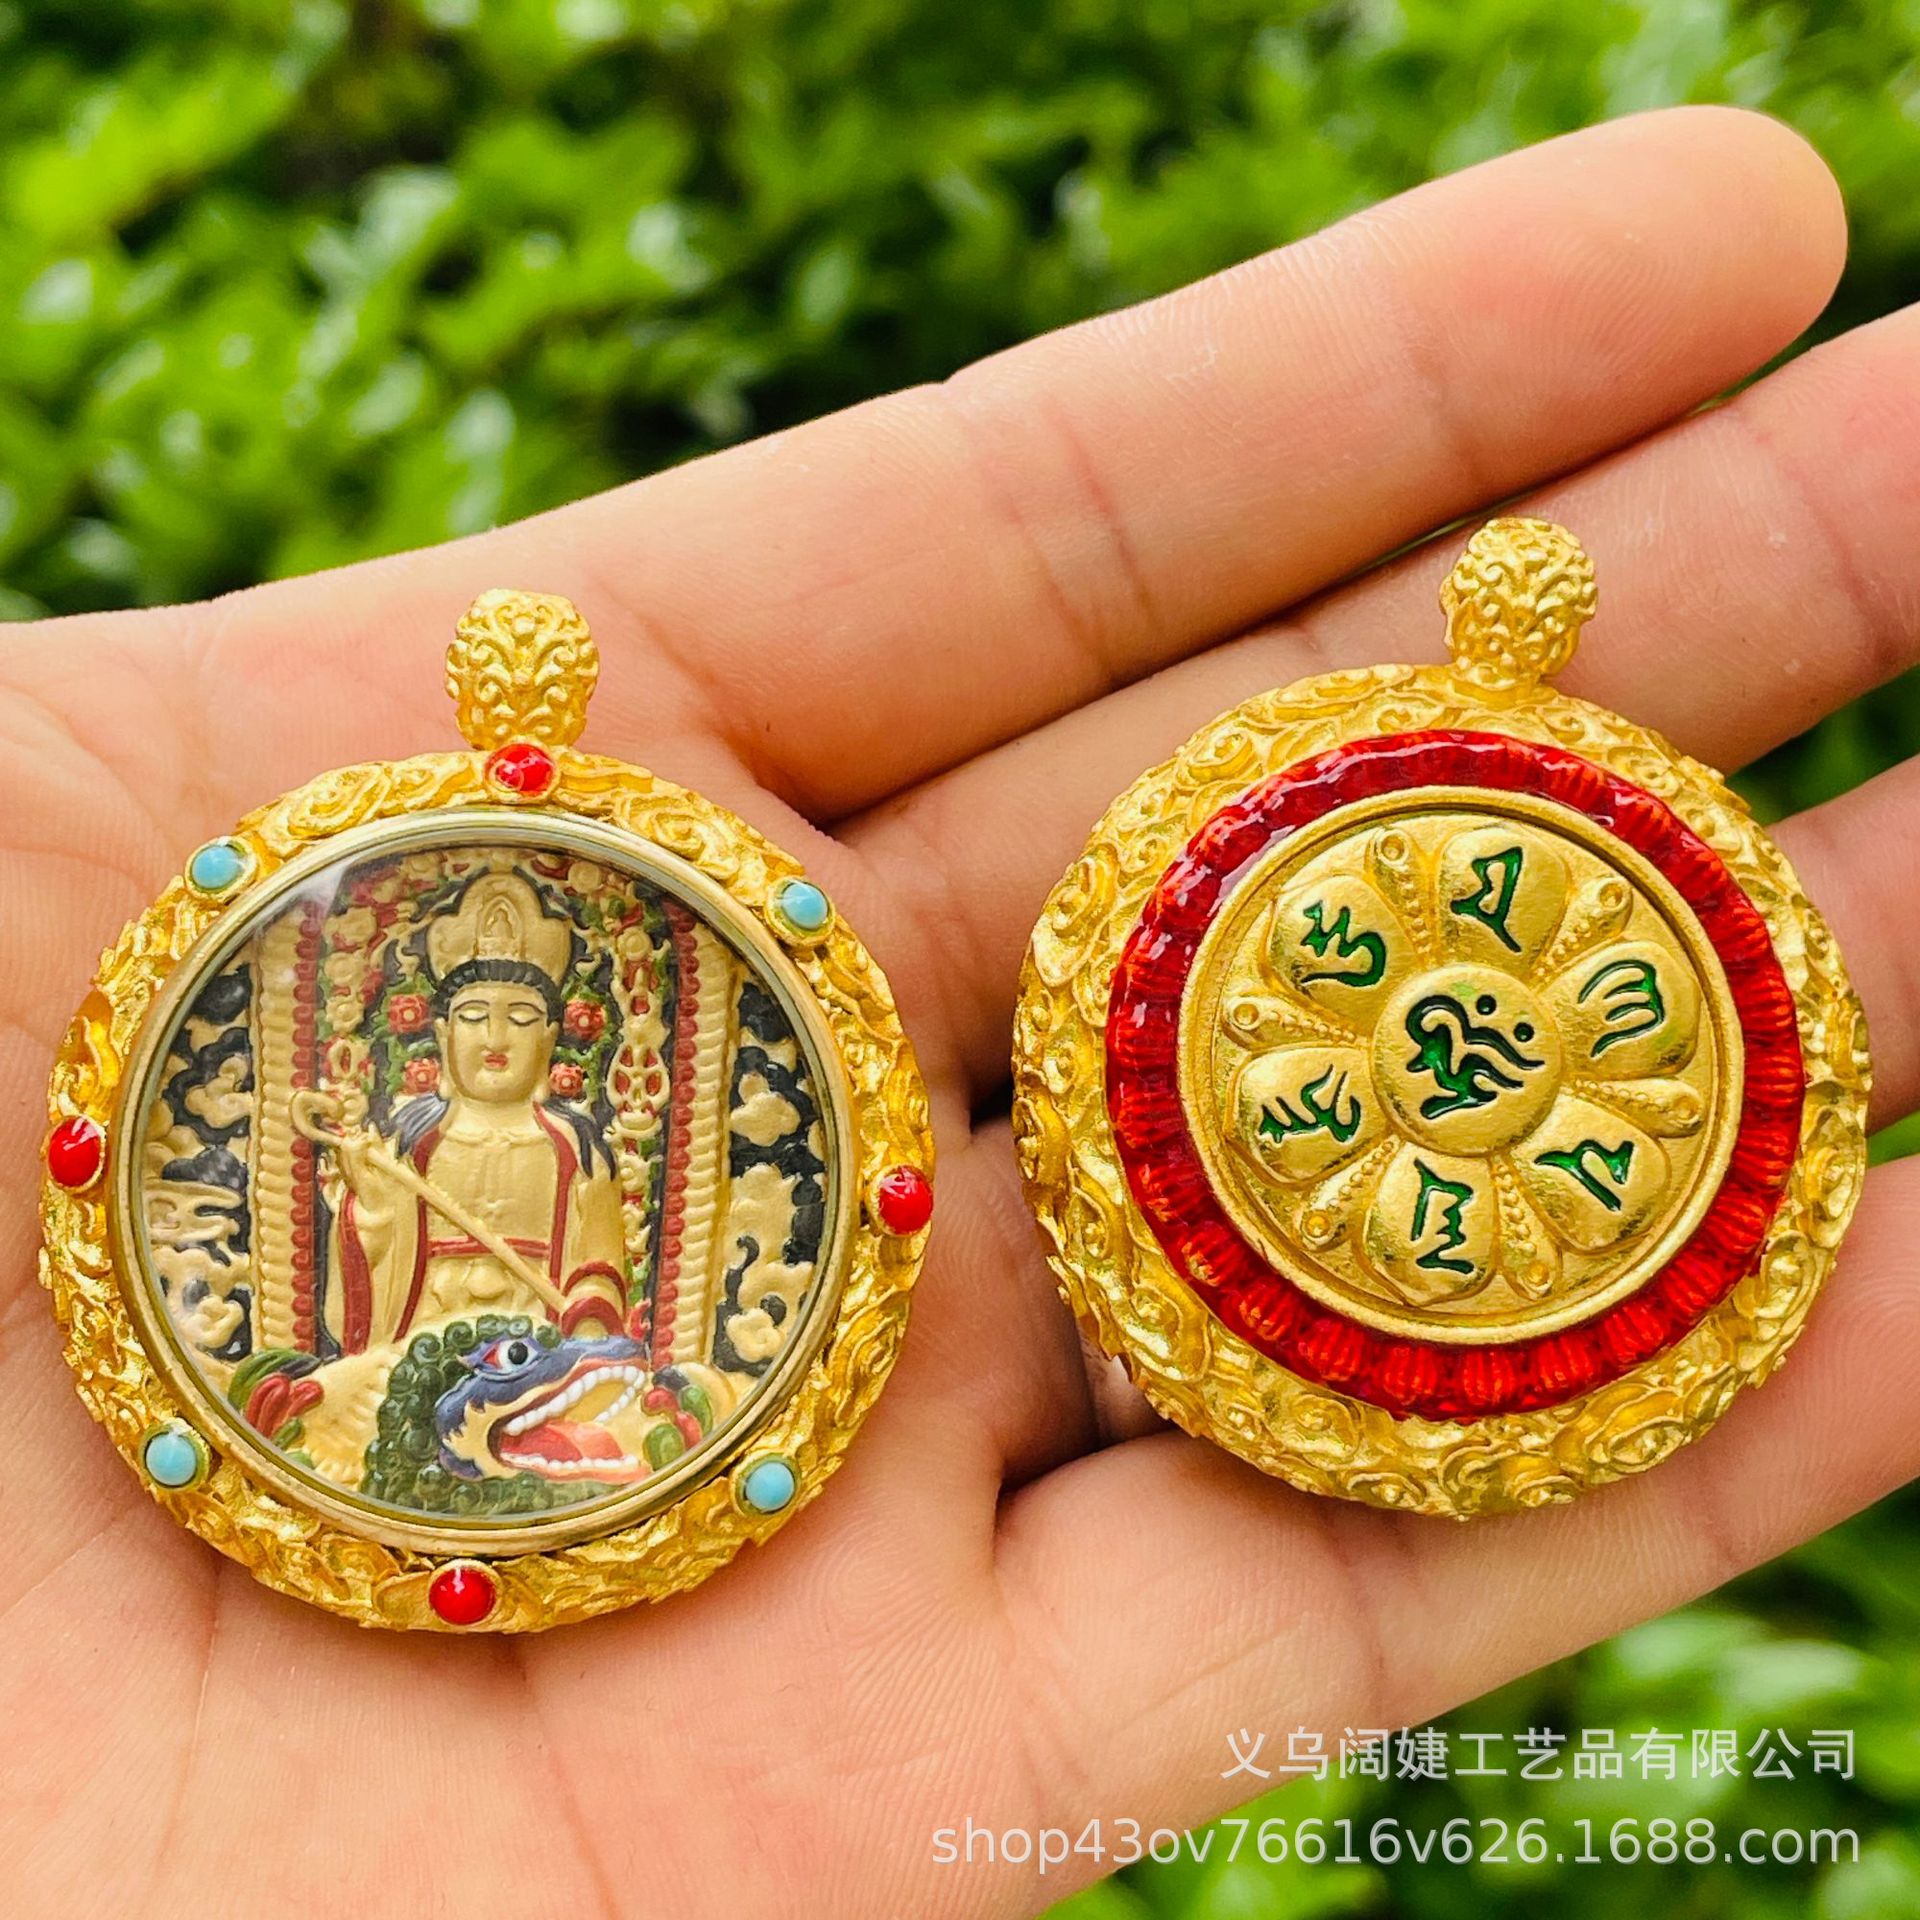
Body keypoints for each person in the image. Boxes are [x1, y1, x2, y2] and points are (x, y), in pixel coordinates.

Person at [6, 108, 1919, 1920]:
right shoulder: (416, 1127)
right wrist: (385, 1203)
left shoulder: (577, 1140)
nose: (494, 1059)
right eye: (470, 1041)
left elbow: (592, 1286)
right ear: (436, 1040)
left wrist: (554, 1306)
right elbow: (388, 1276)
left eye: (520, 1038)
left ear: (555, 1043)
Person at [321, 866, 628, 1349]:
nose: (494, 1038)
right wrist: (372, 1205)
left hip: (534, 1346)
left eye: (521, 1019)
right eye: (473, 1017)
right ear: (443, 1033)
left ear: (549, 1039)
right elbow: (372, 1259)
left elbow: (600, 1264)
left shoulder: (578, 1151)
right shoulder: (408, 1145)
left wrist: (588, 1312)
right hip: (425, 1337)